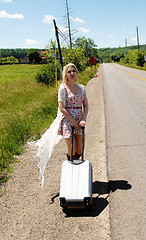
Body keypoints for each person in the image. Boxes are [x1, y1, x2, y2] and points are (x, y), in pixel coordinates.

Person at [58, 63, 88, 160]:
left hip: (79, 119)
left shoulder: (81, 88)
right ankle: (71, 165)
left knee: (79, 150)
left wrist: (83, 119)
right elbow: (62, 108)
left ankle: (77, 165)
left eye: (73, 71)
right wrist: (73, 122)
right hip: (68, 119)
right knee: (73, 148)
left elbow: (86, 104)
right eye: (69, 71)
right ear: (65, 74)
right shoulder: (63, 88)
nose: (72, 73)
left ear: (77, 73)